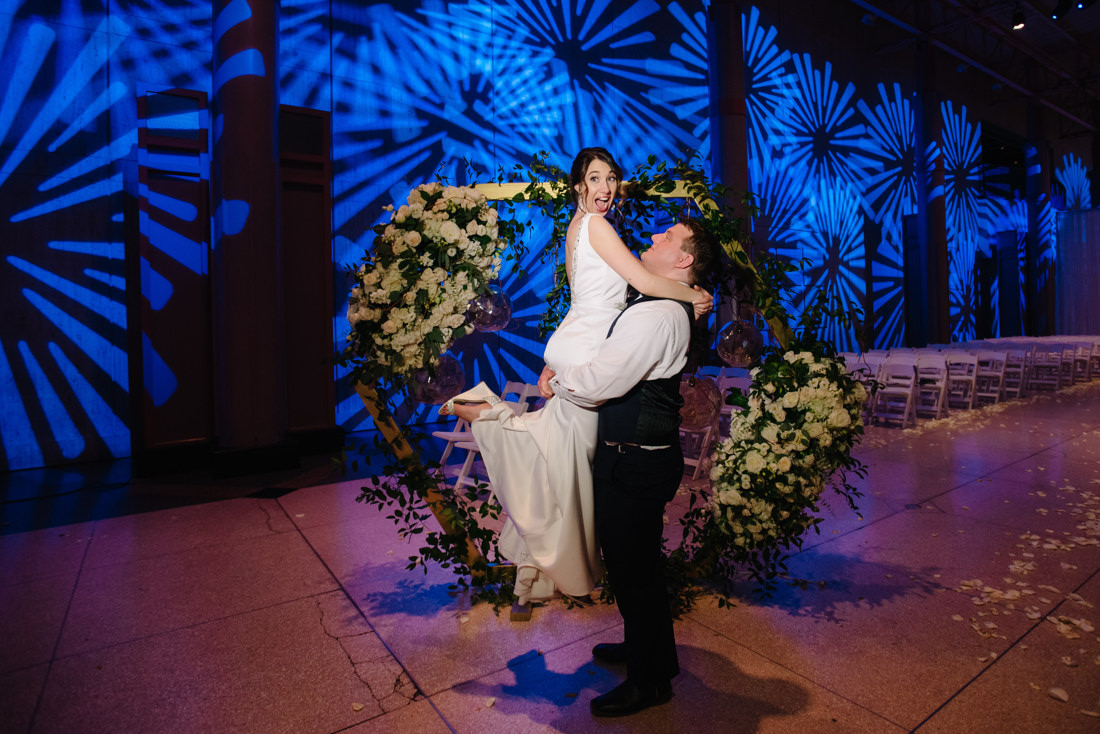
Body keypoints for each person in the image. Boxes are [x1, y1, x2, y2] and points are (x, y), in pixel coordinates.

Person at [442, 147, 711, 605]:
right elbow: (644, 286)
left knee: (558, 451)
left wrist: (557, 360)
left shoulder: (579, 226)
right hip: (590, 346)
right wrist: (695, 297)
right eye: (595, 178)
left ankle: (491, 418)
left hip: (580, 336)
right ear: (579, 187)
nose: (605, 187)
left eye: (611, 178)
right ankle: (495, 424)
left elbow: (593, 299)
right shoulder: (598, 225)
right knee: (567, 466)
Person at [546, 217, 720, 718]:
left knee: (637, 572)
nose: (652, 238)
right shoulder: (665, 302)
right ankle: (644, 650)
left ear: (684, 260)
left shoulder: (658, 314)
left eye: (666, 238)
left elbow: (602, 380)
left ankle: (651, 683)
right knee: (632, 568)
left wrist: (557, 380)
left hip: (636, 463)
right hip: (634, 459)